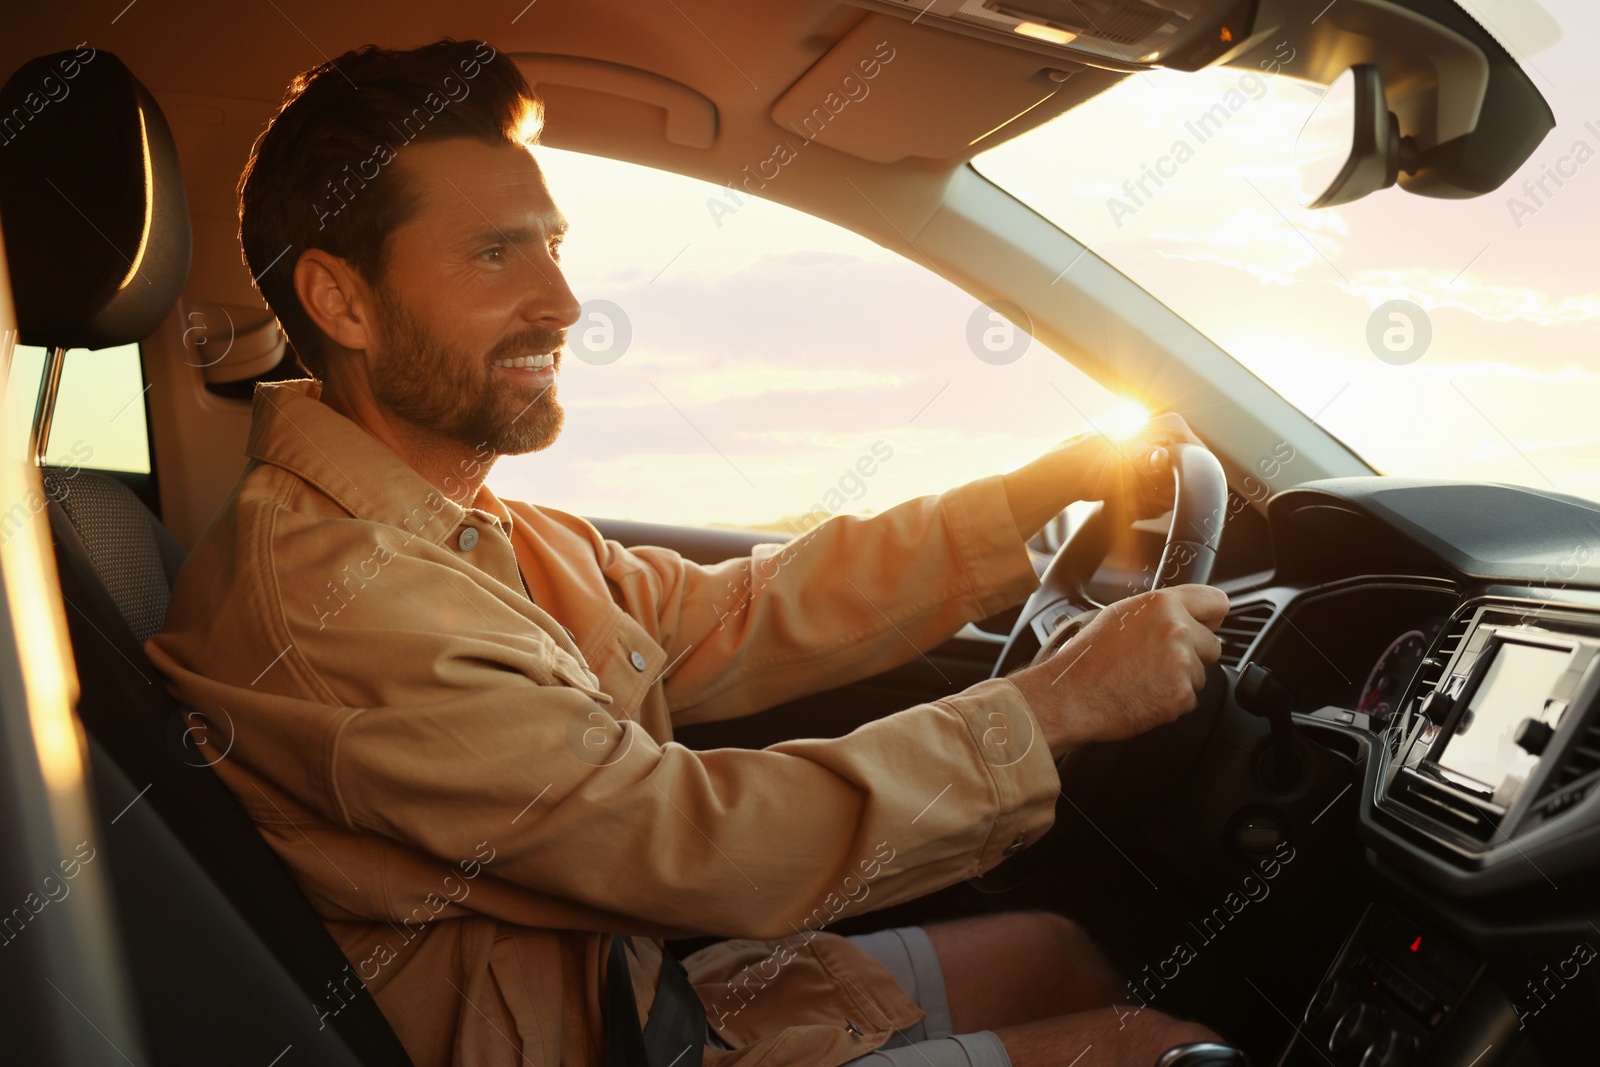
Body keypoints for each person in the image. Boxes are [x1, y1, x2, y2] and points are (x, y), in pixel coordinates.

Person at [147, 38, 1230, 1067]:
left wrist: (1024, 503)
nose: (564, 302)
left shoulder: (454, 527)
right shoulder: (345, 598)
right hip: (586, 1043)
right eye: (493, 252)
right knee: (1155, 1048)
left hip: (625, 998)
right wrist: (1055, 706)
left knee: (1056, 950)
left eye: (552, 244)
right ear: (343, 300)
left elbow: (735, 611)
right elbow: (693, 841)